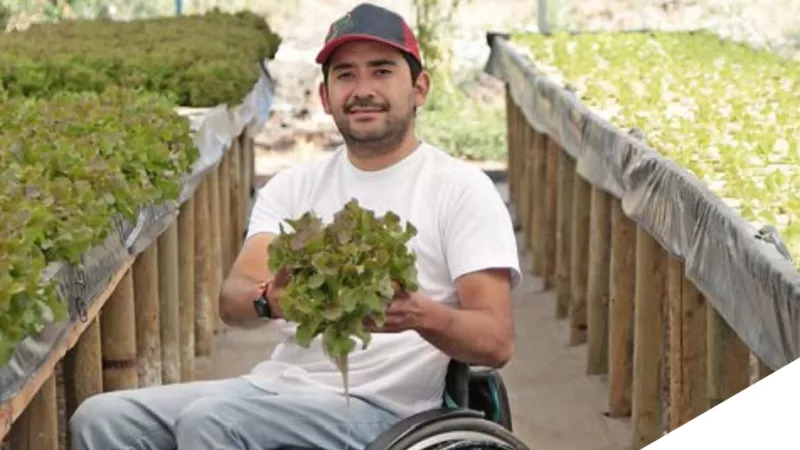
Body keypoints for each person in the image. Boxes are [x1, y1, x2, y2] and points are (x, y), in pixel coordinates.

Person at [68, 3, 521, 449]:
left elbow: (495, 340)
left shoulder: (460, 189)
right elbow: (233, 299)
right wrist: (272, 300)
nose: (363, 89)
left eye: (382, 71)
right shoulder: (294, 186)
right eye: (345, 75)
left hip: (387, 410)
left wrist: (421, 315)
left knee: (213, 423)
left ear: (419, 88)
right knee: (101, 419)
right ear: (325, 97)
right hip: (275, 390)